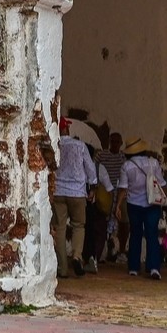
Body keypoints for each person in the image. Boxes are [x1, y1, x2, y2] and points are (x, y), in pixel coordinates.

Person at [51, 118, 105, 278]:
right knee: (79, 226)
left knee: (60, 227)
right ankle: (76, 256)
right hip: (77, 192)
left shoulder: (55, 146)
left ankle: (63, 268)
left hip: (59, 192)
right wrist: (93, 187)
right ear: (67, 129)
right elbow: (90, 168)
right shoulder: (80, 146)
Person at [121, 137, 166, 279]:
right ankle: (154, 268)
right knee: (152, 235)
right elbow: (162, 183)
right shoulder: (153, 163)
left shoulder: (126, 166)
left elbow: (123, 188)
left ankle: (134, 267)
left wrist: (116, 206)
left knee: (135, 234)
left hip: (133, 204)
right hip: (152, 204)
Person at [96, 130, 130, 263]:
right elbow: (95, 168)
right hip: (105, 193)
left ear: (121, 143)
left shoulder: (123, 158)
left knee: (123, 223)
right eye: (113, 142)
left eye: (117, 142)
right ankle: (103, 251)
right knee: (103, 223)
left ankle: (121, 250)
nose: (115, 144)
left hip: (121, 194)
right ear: (109, 142)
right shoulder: (102, 155)